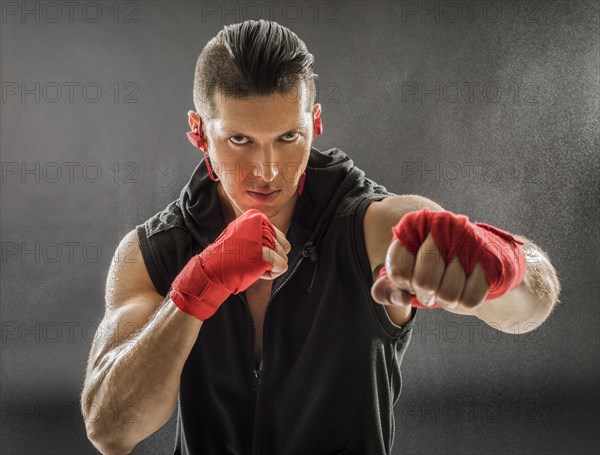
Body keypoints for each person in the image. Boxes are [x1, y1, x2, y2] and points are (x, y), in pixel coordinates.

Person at [81, 19, 560, 455]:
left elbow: (529, 311)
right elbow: (110, 429)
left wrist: (503, 264)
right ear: (200, 133)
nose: (266, 171)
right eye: (240, 140)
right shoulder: (156, 251)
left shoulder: (371, 226)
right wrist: (197, 287)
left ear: (315, 125)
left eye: (288, 138)